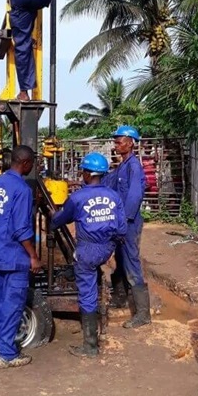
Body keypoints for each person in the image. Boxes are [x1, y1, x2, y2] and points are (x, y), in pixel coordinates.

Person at [51, 152, 127, 357]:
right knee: (94, 276)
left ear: (86, 173)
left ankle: (90, 346)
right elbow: (121, 229)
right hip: (107, 248)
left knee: (87, 293)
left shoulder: (77, 198)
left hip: (88, 249)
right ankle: (95, 331)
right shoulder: (114, 196)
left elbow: (59, 221)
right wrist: (110, 248)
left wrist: (52, 217)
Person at [0, 145, 42, 368]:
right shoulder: (22, 189)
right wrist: (34, 257)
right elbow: (22, 230)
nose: (33, 166)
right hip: (14, 256)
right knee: (12, 304)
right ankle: (7, 355)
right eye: (32, 162)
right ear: (25, 163)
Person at [104, 125, 151, 328]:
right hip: (121, 221)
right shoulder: (122, 166)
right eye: (115, 141)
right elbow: (108, 183)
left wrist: (124, 222)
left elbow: (134, 196)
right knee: (121, 259)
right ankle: (120, 298)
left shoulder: (133, 167)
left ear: (131, 143)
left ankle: (143, 314)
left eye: (119, 141)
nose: (116, 144)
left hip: (128, 222)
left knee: (130, 261)